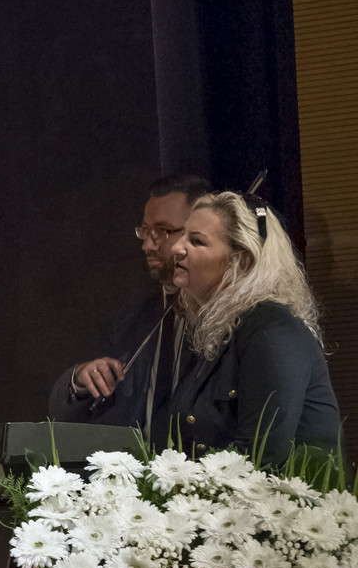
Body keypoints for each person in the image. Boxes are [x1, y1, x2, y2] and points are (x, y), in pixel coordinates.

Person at [152, 190, 339, 466]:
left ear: (242, 261)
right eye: (183, 236)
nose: (177, 248)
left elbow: (262, 456)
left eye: (196, 241)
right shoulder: (224, 331)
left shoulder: (270, 327)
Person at [48, 175, 211, 435]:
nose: (147, 245)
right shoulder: (131, 322)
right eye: (145, 231)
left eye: (162, 231)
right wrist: (81, 379)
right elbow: (65, 415)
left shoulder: (225, 318)